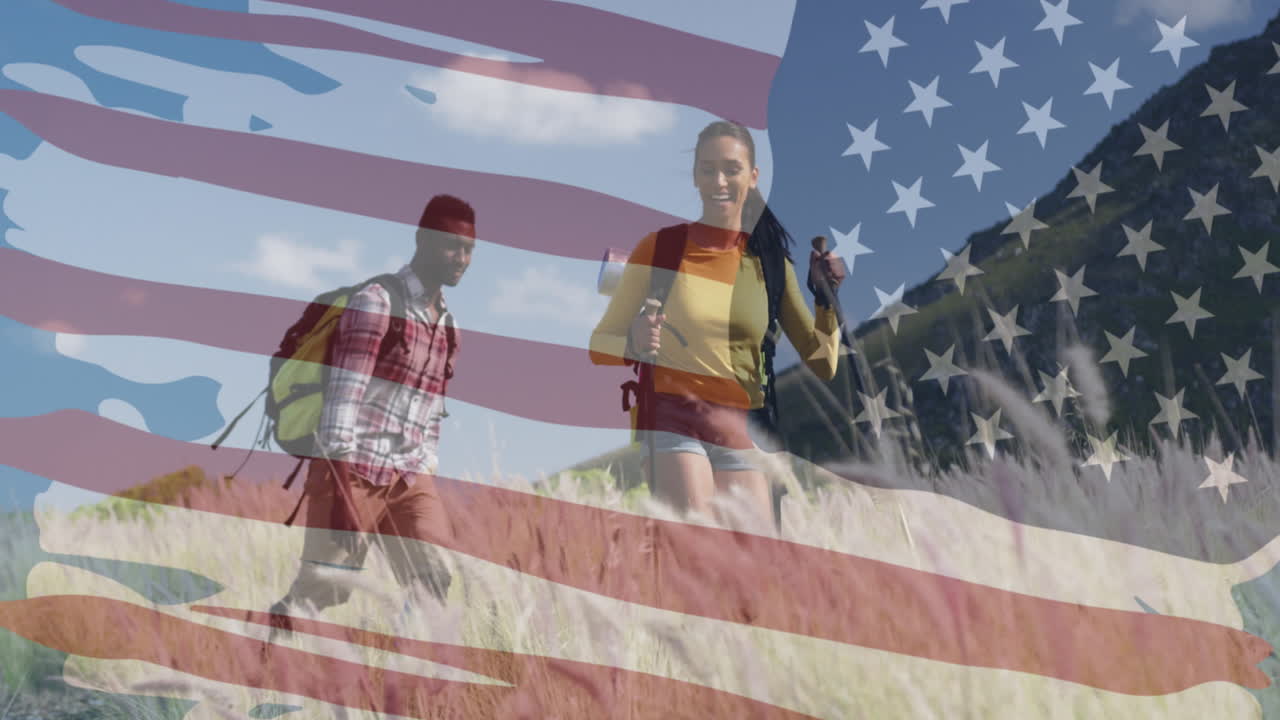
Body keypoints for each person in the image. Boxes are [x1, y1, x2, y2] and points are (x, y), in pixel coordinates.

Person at [589, 120, 846, 534]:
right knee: (701, 546)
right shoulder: (660, 249)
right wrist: (633, 341)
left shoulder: (770, 265)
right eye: (708, 170)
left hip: (743, 424)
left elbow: (823, 363)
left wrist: (825, 299)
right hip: (672, 418)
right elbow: (600, 343)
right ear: (695, 176)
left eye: (731, 169)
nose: (719, 181)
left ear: (753, 176)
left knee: (752, 561)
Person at [265, 194, 475, 642]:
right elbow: (343, 400)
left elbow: (431, 409)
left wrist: (425, 467)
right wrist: (342, 493)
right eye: (451, 246)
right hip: (352, 468)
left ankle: (400, 673)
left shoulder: (450, 327)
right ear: (422, 240)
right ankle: (270, 645)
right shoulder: (376, 303)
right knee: (325, 589)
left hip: (408, 474)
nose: (461, 259)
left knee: (433, 576)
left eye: (469, 249)